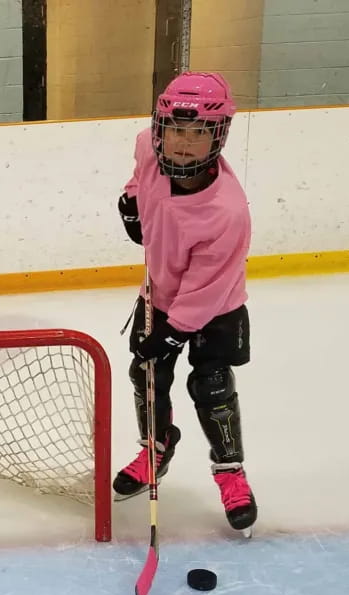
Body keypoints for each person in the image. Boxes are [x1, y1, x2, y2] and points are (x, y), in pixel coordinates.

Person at [112, 71, 257, 534]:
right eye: (175, 129)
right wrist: (132, 202)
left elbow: (208, 286)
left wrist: (174, 334)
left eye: (198, 133)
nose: (183, 143)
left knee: (212, 386)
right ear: (159, 127)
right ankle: (156, 448)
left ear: (219, 135)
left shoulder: (227, 212)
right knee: (146, 375)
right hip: (158, 293)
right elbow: (139, 177)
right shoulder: (146, 148)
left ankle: (230, 470)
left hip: (215, 307)